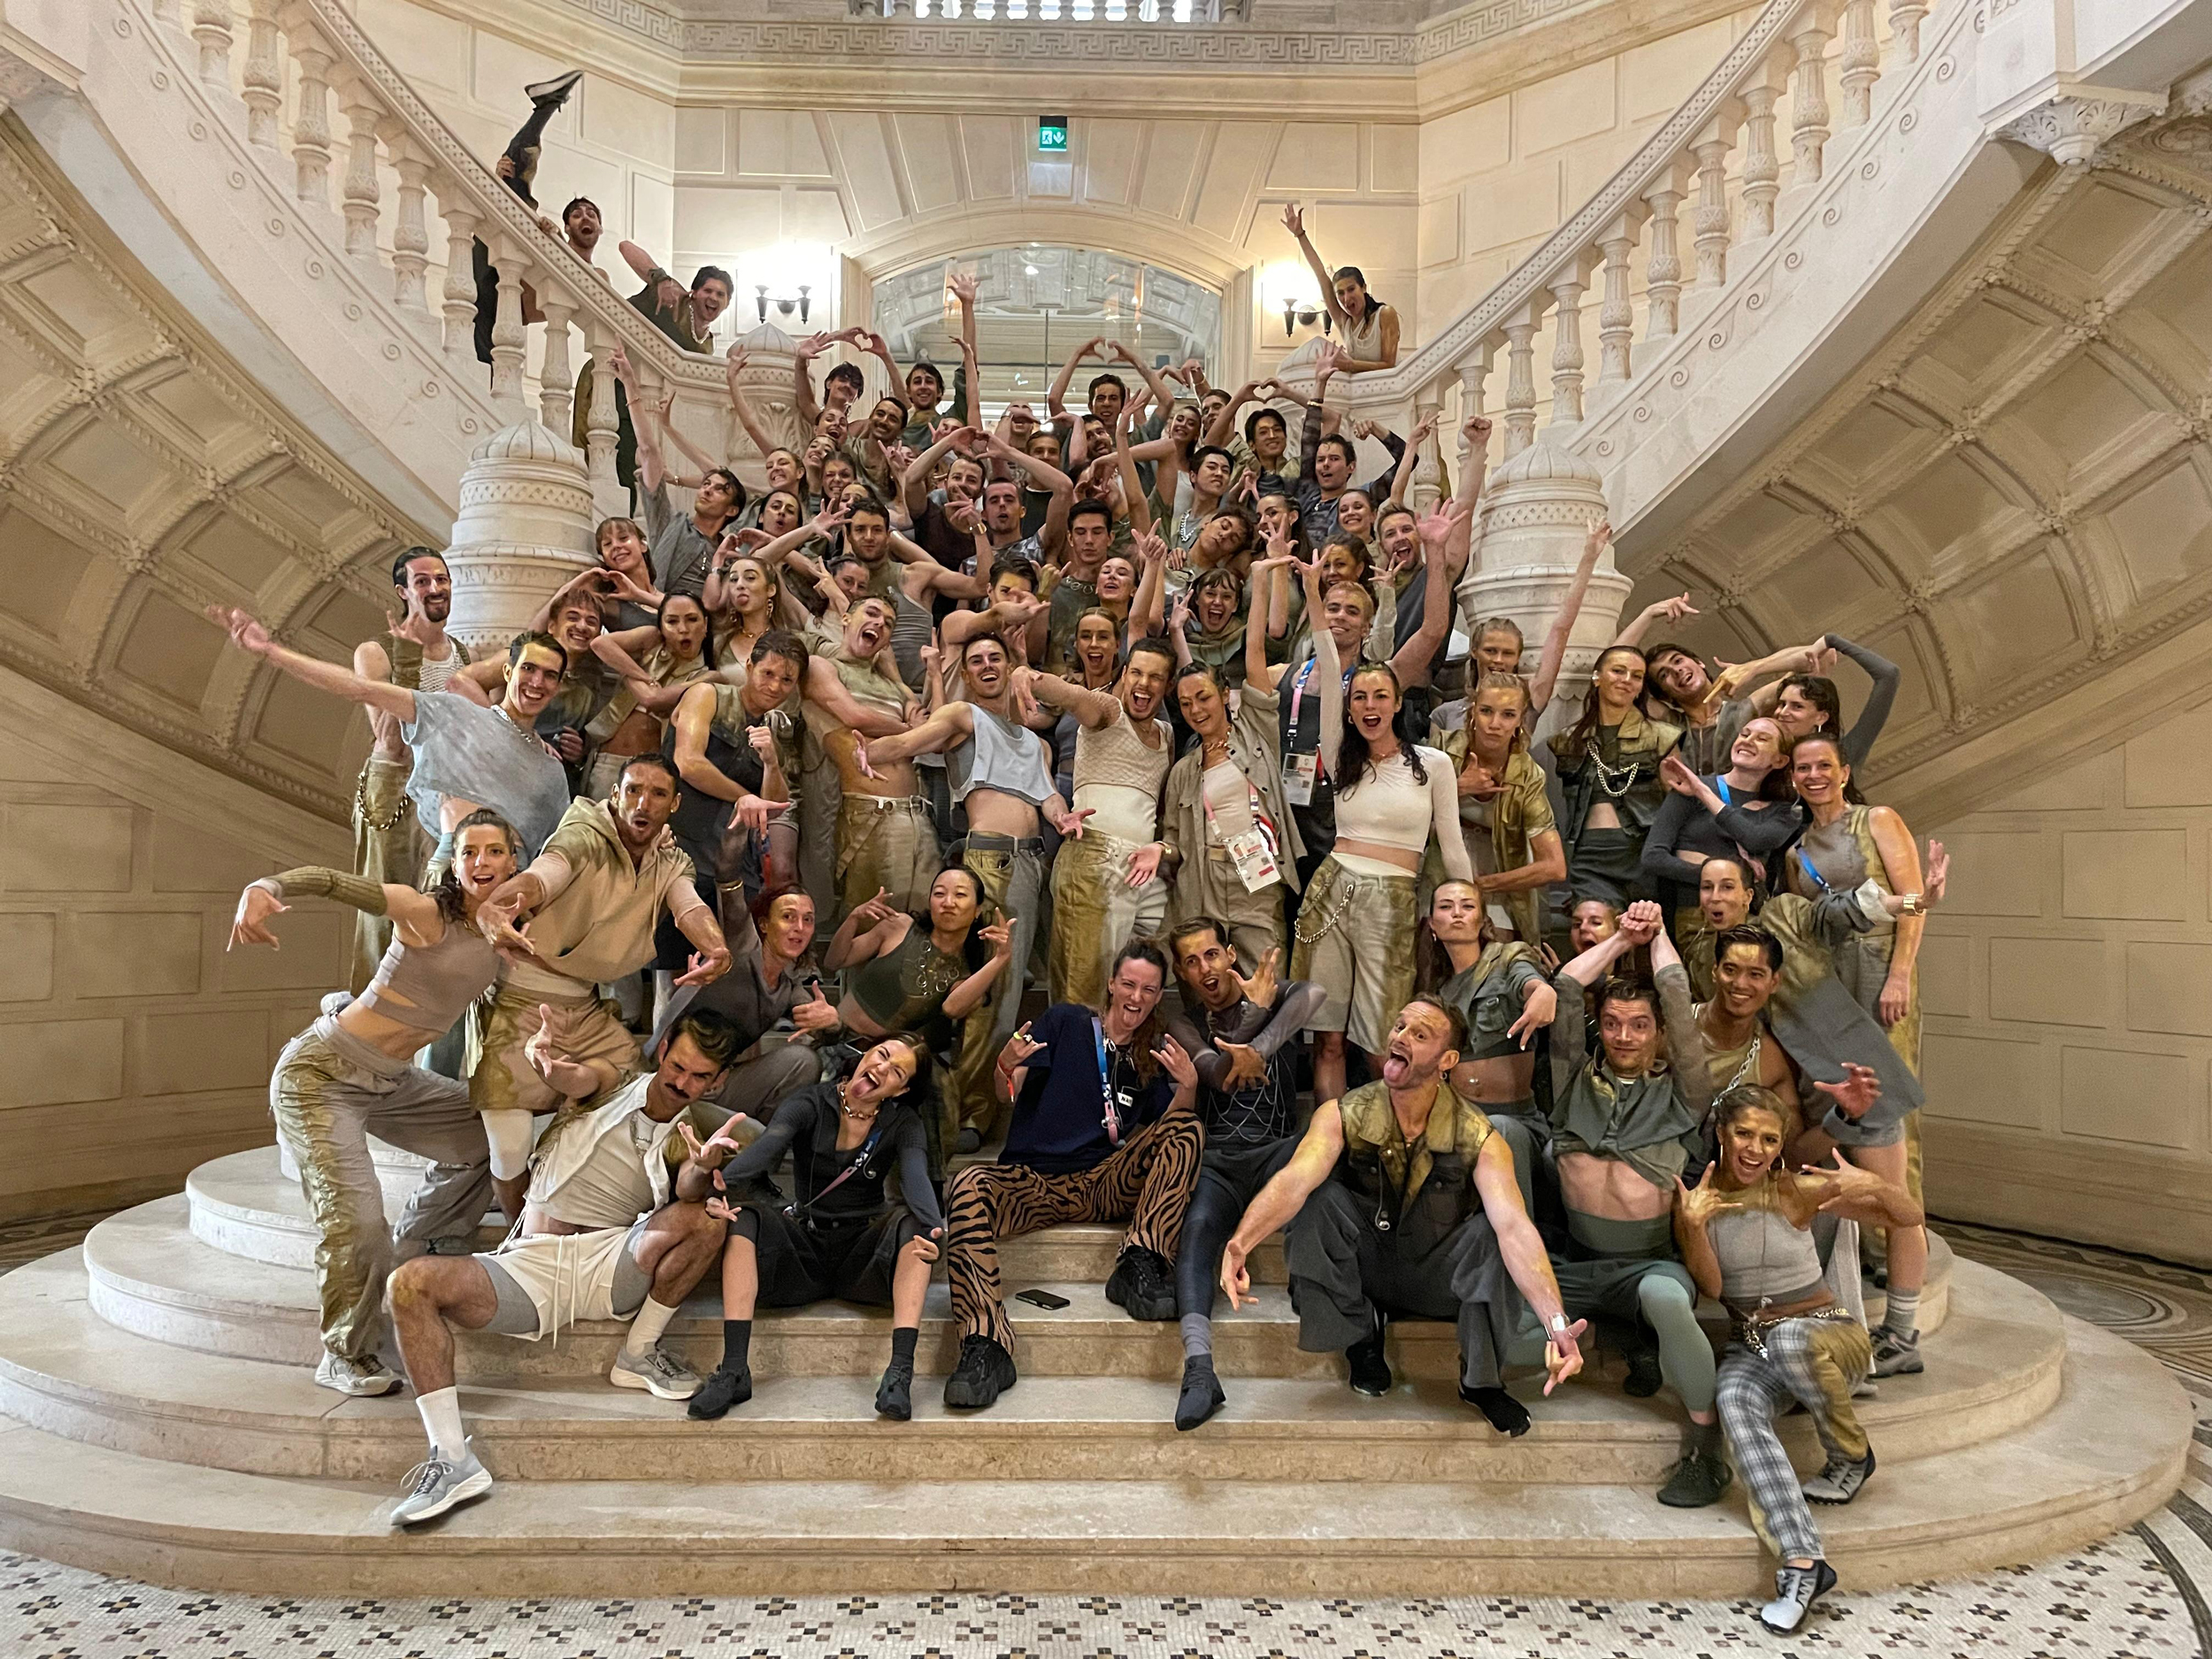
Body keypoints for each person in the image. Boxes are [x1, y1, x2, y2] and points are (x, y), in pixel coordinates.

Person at [382, 1010, 740, 1525]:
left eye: (700, 1076)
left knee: (705, 1222)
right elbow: (576, 1078)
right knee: (409, 1283)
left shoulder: (692, 1134)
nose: (683, 1083)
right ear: (663, 1052)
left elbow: (686, 1188)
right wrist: (546, 1065)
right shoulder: (614, 1082)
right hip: (533, 1266)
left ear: (719, 1080)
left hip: (610, 1260)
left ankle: (638, 1353)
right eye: (679, 1066)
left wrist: (704, 1167)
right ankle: (452, 1459)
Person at [227, 812, 516, 1397]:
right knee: (357, 1225)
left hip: (391, 1080)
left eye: (495, 851)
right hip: (320, 1076)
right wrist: (266, 887)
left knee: (488, 1136)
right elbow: (336, 883)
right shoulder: (424, 912)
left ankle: (421, 1243)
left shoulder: (506, 934)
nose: (482, 862)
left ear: (515, 861)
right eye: (470, 853)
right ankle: (345, 1352)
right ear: (455, 866)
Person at [1220, 996, 1585, 1435]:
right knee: (1319, 1202)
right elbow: (1294, 1180)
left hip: (1438, 1277)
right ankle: (1361, 1338)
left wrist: (1557, 1325)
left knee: (1492, 1234)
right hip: (1369, 1270)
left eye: (1419, 1034)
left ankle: (1481, 1383)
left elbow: (1515, 1230)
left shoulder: (1480, 1136)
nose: (1401, 1038)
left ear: (1447, 1059)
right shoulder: (1343, 1113)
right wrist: (1240, 1243)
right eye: (1399, 1027)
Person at [1677, 1090, 1924, 1632]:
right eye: (1745, 1134)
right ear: (1722, 1133)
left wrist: (1876, 1185)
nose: (1755, 1149)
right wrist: (1693, 1227)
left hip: (1831, 1334)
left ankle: (1851, 1456)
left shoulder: (1797, 1190)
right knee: (1733, 1398)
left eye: (1769, 1139)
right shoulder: (1698, 1201)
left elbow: (1909, 1217)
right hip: (1755, 1345)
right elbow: (1715, 1287)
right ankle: (1802, 1562)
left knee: (1791, 1341)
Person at [942, 942, 1205, 1411]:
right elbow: (1011, 1092)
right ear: (1111, 984)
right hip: (1033, 1180)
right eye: (1128, 984)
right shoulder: (1065, 1022)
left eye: (1148, 989)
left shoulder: (1151, 1054)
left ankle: (1140, 1261)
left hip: (1104, 1180)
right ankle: (986, 1343)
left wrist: (1188, 1087)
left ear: (1158, 995)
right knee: (965, 1184)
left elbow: (1167, 1132)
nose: (1136, 997)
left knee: (1188, 1127)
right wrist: (1006, 1064)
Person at [469, 756, 733, 1222]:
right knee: (507, 1151)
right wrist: (501, 904)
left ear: (674, 804)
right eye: (633, 790)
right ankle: (520, 1243)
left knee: (627, 1104)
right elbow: (549, 872)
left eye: (656, 794)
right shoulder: (586, 831)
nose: (642, 803)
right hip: (519, 1002)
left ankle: (585, 1220)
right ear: (615, 794)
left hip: (587, 1009)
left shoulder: (671, 859)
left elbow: (687, 904)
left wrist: (715, 947)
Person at [854, 634, 1087, 1139]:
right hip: (986, 861)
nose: (985, 665)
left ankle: (977, 1109)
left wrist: (1064, 819)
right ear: (968, 671)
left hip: (1030, 865)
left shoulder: (1038, 744)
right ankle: (964, 1115)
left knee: (1003, 995)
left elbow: (1047, 800)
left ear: (1010, 667)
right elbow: (912, 742)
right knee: (984, 994)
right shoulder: (963, 716)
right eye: (975, 659)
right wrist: (874, 749)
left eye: (994, 658)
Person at [1540, 901, 1733, 1507]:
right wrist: (1621, 938)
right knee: (1511, 1340)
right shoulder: (1572, 1084)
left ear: (1658, 1033)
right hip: (1576, 1267)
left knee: (1666, 1301)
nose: (1625, 1035)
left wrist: (1659, 938)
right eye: (1615, 1022)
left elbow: (1676, 993)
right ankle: (1622, 1336)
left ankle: (1708, 1449)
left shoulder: (1682, 1097)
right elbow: (1570, 985)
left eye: (1639, 1024)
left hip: (1651, 1264)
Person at [1289, 548, 1473, 1107]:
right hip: (1331, 891)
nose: (1369, 705)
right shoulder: (1341, 750)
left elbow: (1454, 848)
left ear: (1397, 704)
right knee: (1328, 1041)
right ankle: (1331, 1139)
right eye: (1359, 697)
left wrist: (1468, 911)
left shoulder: (1434, 764)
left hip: (1393, 902)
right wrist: (1314, 595)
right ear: (1348, 708)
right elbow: (1324, 651)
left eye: (1380, 696)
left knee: (1383, 1044)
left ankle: (1386, 1140)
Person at [679, 1035, 943, 1421]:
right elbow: (770, 1146)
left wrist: (935, 1230)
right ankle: (734, 1369)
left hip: (864, 1257)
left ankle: (899, 1372)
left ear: (900, 1089)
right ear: (866, 1055)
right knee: (746, 1218)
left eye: (897, 1071)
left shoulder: (903, 1122)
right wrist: (721, 1177)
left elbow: (917, 1180)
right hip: (804, 1248)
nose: (883, 1068)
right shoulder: (810, 1102)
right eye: (882, 1055)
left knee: (915, 1226)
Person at [209, 607, 572, 867]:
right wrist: (271, 652)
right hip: (446, 889)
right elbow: (358, 689)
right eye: (528, 669)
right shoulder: (455, 713)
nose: (537, 683)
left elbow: (557, 857)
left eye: (549, 676)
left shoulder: (552, 772)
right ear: (508, 672)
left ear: (558, 687)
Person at [1160, 921, 1325, 1429]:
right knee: (1196, 1233)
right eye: (1191, 962)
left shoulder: (1279, 993)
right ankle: (1199, 1370)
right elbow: (1217, 1073)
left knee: (1324, 1181)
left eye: (1211, 954)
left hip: (1279, 1152)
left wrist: (1263, 1036)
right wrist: (1256, 1014)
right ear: (1183, 975)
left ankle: (1328, 1308)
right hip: (1222, 1161)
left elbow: (1314, 992)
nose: (1205, 969)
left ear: (1230, 954)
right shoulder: (1183, 1020)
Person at [823, 870, 1017, 1170]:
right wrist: (852, 919)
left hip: (885, 1061)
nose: (948, 902)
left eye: (960, 895)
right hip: (836, 1040)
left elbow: (952, 1008)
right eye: (939, 893)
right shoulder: (899, 926)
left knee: (939, 1091)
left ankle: (931, 1190)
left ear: (978, 910)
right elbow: (835, 960)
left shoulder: (968, 972)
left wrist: (1001, 959)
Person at [1021, 640, 1176, 1008]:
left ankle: (1119, 1062)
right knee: (1083, 995)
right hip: (1094, 858)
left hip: (1142, 870)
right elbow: (1072, 697)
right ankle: (1075, 1064)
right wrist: (1029, 677)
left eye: (1156, 677)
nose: (1144, 684)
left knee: (1133, 990)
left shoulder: (1167, 734)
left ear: (1167, 686)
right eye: (1137, 672)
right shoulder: (1109, 710)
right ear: (1124, 675)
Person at [348, 548, 475, 990]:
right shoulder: (375, 651)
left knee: (434, 906)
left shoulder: (459, 650)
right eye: (422, 582)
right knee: (384, 903)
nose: (435, 589)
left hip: (442, 789)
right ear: (404, 592)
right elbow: (390, 741)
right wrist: (405, 661)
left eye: (441, 579)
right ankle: (367, 1013)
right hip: (394, 791)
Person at [1156, 594, 1304, 969]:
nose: (1195, 710)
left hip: (1256, 877)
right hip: (1202, 882)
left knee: (1265, 981)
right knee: (1209, 988)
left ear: (1224, 695)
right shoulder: (1183, 771)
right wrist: (1160, 851)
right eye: (1186, 704)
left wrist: (1260, 579)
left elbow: (1254, 650)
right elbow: (1174, 841)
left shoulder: (1256, 733)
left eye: (1203, 698)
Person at [1417, 880, 1555, 1213]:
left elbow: (1528, 981)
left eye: (1467, 906)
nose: (1457, 914)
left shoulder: (1507, 957)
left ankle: (1522, 1254)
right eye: (1446, 907)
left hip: (1515, 1120)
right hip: (1460, 1120)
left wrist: (1542, 992)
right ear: (1433, 924)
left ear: (1482, 920)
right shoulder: (1438, 991)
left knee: (1501, 1132)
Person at [653, 885, 835, 1124]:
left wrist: (832, 1021)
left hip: (714, 1086)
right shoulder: (738, 949)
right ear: (764, 925)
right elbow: (730, 891)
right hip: (667, 1080)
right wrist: (737, 852)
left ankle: (762, 1144)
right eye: (788, 917)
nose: (799, 927)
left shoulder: (789, 989)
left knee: (804, 1061)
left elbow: (829, 1035)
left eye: (808, 920)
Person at [1428, 671, 1565, 947]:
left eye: (1508, 715)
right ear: (1472, 713)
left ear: (1519, 721)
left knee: (1496, 948)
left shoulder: (1528, 774)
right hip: (1439, 862)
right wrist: (1457, 789)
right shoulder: (1441, 750)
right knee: (1429, 945)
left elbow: (1555, 867)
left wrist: (1485, 885)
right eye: (1487, 711)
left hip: (1499, 868)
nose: (1494, 724)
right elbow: (1404, 814)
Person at [1546, 644, 1681, 907]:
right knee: (1598, 933)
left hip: (1643, 853)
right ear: (1597, 677)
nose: (1627, 680)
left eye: (1637, 676)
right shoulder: (1567, 741)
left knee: (1644, 935)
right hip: (1588, 857)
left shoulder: (1662, 737)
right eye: (1618, 671)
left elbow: (1680, 803)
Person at [1640, 718, 1797, 935]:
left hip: (1745, 919)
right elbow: (1653, 857)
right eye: (1744, 734)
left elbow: (1755, 838)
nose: (1748, 740)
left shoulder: (1784, 809)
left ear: (1780, 761)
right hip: (1692, 916)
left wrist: (1702, 791)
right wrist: (1723, 880)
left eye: (1762, 739)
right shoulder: (1688, 788)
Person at [1287, 343, 1408, 548]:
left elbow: (1408, 460)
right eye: (1321, 460)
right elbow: (1309, 439)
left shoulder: (1359, 501)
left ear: (1351, 466)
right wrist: (1319, 382)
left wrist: (1377, 430)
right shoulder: (1306, 493)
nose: (1325, 464)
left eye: (1334, 459)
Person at [1282, 203, 1400, 373]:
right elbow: (1321, 274)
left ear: (1364, 288)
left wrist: (1350, 365)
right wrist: (1300, 235)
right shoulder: (1345, 322)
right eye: (1340, 293)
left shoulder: (1385, 314)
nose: (1346, 298)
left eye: (1351, 289)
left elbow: (1389, 363)